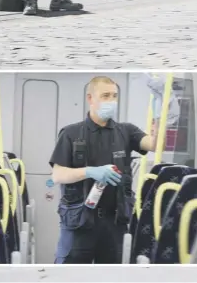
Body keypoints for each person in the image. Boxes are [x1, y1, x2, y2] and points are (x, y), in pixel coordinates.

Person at [49, 75, 178, 264]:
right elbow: (58, 174)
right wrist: (90, 171)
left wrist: (161, 116)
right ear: (90, 98)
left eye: (115, 96)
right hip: (79, 222)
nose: (111, 101)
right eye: (106, 96)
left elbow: (155, 144)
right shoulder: (70, 133)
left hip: (115, 222)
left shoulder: (126, 131)